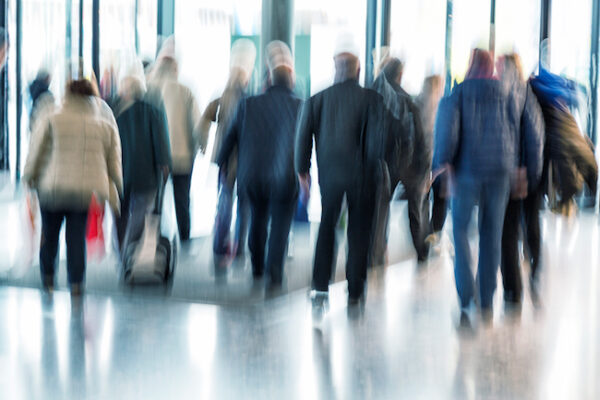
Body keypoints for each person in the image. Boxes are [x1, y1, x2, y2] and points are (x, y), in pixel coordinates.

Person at [433, 49, 543, 325]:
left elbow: (447, 130)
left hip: (467, 172)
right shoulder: (511, 93)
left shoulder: (459, 93)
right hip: (501, 172)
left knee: (459, 230)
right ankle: (486, 299)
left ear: (471, 64)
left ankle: (466, 293)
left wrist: (442, 163)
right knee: (491, 235)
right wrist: (531, 173)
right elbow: (533, 132)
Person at [295, 35, 382, 308]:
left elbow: (302, 137)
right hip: (363, 176)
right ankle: (355, 290)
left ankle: (320, 286)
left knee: (327, 228)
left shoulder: (318, 99)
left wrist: (303, 172)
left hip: (330, 176)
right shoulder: (372, 99)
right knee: (358, 233)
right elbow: (376, 143)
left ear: (336, 67)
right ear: (358, 70)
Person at [22, 77, 123, 296]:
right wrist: (116, 186)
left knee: (49, 235)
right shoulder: (104, 124)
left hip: (53, 189)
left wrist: (29, 177)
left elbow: (37, 149)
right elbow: (114, 159)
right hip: (83, 192)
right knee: (76, 239)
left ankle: (47, 278)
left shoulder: (52, 117)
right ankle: (76, 284)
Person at [217, 41, 301, 287]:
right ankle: (274, 272)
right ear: (291, 79)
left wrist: (222, 163)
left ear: (269, 79)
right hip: (284, 175)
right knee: (280, 224)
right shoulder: (299, 106)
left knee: (257, 219)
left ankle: (256, 267)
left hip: (251, 175)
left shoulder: (248, 104)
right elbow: (306, 142)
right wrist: (305, 172)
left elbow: (229, 136)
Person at [370, 58, 432, 265]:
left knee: (380, 211)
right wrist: (423, 168)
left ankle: (377, 254)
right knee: (415, 210)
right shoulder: (408, 100)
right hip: (409, 163)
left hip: (383, 162)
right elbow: (420, 138)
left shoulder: (374, 97)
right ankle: (422, 251)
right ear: (400, 74)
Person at [497, 54, 545, 309]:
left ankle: (512, 289)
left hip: (513, 175)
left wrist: (527, 173)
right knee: (516, 228)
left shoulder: (514, 94)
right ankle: (515, 286)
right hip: (518, 174)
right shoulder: (523, 94)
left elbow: (534, 138)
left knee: (510, 231)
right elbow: (535, 138)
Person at [201, 39, 256, 260]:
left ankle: (219, 244)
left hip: (225, 158)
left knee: (224, 201)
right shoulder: (247, 97)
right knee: (243, 205)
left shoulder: (222, 96)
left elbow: (205, 118)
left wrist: (204, 145)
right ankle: (239, 247)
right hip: (241, 159)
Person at [114, 70, 172, 253]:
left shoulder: (114, 113)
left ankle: (121, 250)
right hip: (146, 176)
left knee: (120, 215)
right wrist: (164, 169)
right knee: (140, 214)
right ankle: (129, 251)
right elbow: (162, 146)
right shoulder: (154, 112)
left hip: (118, 174)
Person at [148, 56, 201, 242]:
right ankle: (184, 236)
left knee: (155, 199)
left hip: (154, 156)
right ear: (175, 70)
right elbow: (196, 123)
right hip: (182, 154)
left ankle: (153, 237)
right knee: (182, 197)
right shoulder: (185, 90)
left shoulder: (148, 90)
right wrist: (198, 147)